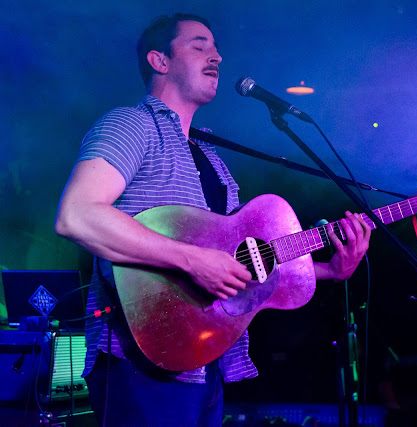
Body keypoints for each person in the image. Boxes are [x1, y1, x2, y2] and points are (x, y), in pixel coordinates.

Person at [54, 13, 371, 426]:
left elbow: (245, 263)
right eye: (199, 46)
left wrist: (330, 269)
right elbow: (76, 216)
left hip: (207, 358)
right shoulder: (131, 125)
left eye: (216, 49)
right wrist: (192, 261)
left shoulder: (213, 161)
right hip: (140, 358)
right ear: (159, 60)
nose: (216, 56)